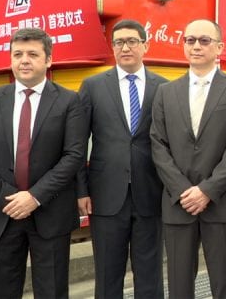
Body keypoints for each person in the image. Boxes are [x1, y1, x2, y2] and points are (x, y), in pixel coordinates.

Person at [0, 28, 86, 299]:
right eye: (18, 54)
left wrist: (34, 197)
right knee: (3, 292)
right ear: (10, 60)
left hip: (51, 213)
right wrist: (9, 199)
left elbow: (73, 156)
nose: (24, 60)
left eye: (33, 54)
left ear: (48, 60)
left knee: (52, 291)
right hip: (2, 214)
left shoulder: (69, 101)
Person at [150, 19, 226, 298]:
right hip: (177, 202)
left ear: (219, 47)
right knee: (179, 285)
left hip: (221, 202)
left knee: (225, 283)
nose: (196, 46)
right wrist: (183, 190)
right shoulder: (165, 92)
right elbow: (157, 144)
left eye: (204, 40)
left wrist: (207, 190)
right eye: (190, 40)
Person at [77, 19, 167, 298]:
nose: (125, 47)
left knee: (150, 271)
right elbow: (78, 143)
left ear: (145, 46)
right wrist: (81, 190)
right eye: (118, 42)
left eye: (131, 41)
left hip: (151, 193)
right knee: (107, 272)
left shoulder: (163, 87)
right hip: (105, 194)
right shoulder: (92, 86)